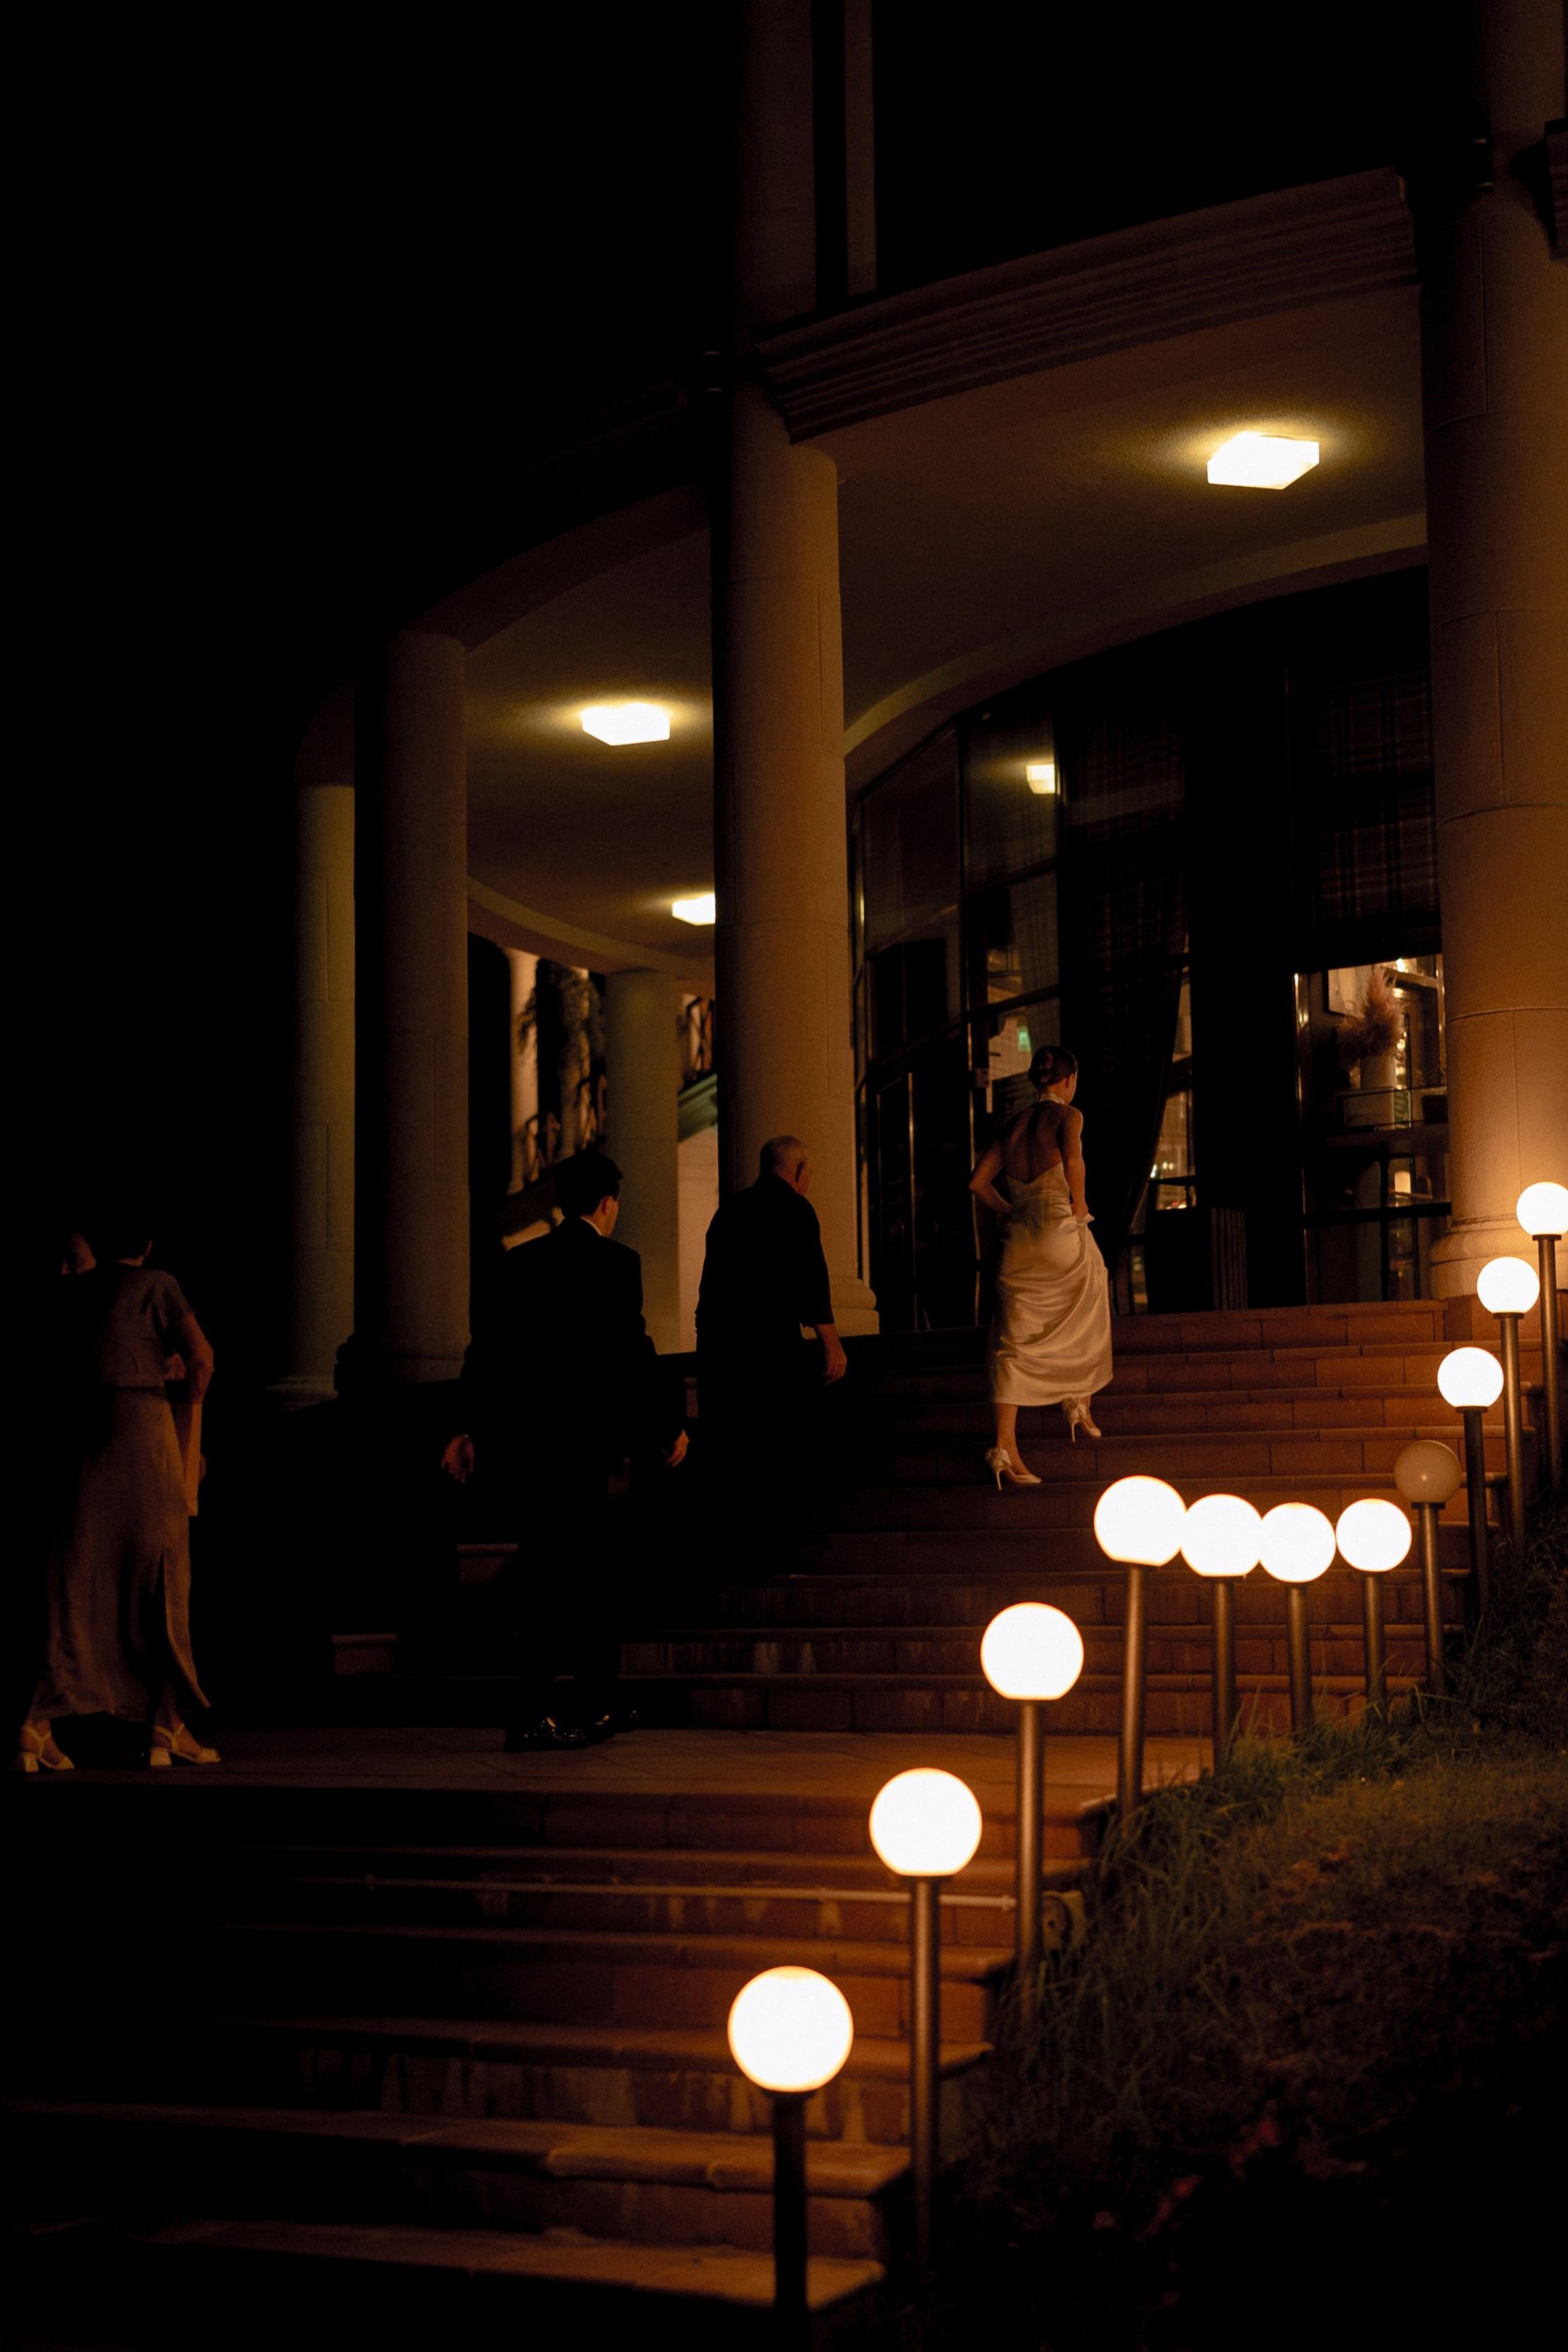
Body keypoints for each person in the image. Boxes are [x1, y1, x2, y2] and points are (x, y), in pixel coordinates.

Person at [442, 1148, 687, 1751]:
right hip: (589, 1445)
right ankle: (551, 1707)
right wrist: (666, 1425)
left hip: (531, 1446)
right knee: (586, 1574)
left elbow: (486, 1352)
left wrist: (465, 1428)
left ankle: (587, 1699)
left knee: (558, 1571)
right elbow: (632, 1352)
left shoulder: (519, 1264)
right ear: (608, 1204)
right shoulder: (617, 1264)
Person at [16, 1218, 219, 1773]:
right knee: (162, 1575)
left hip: (81, 1440)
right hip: (142, 1431)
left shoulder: (74, 1293)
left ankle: (35, 1724)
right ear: (148, 1243)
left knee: (77, 1580)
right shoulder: (158, 1283)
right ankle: (166, 1719)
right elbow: (201, 1357)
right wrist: (187, 1411)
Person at [695, 1136, 847, 1572]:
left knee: (729, 1458)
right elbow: (811, 1280)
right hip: (771, 1349)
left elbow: (710, 1289)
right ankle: (781, 1552)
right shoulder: (796, 1210)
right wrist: (831, 1343)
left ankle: (726, 1551)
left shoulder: (728, 1212)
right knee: (784, 1453)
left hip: (722, 1351)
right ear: (799, 1171)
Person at [968, 1046, 1113, 1486]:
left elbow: (977, 1183)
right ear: (1068, 1081)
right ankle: (1077, 1401)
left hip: (1020, 1238)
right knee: (1091, 1286)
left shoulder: (1011, 1124)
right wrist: (1081, 1203)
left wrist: (1010, 1209)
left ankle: (1004, 1448)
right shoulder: (1069, 1117)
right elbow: (1073, 1161)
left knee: (1013, 1338)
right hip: (1056, 1224)